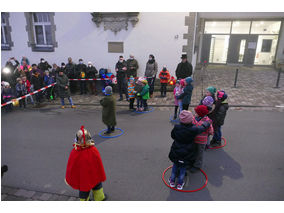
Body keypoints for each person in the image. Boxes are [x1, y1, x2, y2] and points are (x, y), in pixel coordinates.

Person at [168, 110, 211, 190]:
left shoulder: (177, 127)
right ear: (191, 120)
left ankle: (172, 181)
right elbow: (202, 128)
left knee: (175, 166)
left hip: (176, 150)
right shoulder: (193, 129)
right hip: (187, 152)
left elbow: (173, 135)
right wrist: (207, 123)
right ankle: (180, 184)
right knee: (183, 168)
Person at [65, 126, 107, 201]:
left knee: (83, 191)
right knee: (97, 185)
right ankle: (99, 198)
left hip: (82, 179)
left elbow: (71, 167)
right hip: (94, 176)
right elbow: (98, 165)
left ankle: (85, 201)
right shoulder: (93, 150)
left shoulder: (75, 152)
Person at [191, 105, 213, 173]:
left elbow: (211, 131)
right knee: (194, 151)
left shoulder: (207, 121)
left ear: (200, 114)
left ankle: (197, 166)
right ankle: (192, 161)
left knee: (200, 154)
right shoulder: (193, 118)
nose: (194, 114)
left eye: (196, 113)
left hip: (201, 141)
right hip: (194, 140)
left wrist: (207, 133)